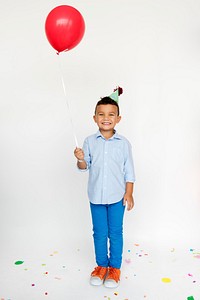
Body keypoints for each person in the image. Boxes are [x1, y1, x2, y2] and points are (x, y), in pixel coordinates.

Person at [74, 90, 136, 288]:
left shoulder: (124, 144)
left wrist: (129, 193)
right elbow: (85, 167)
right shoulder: (89, 142)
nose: (106, 118)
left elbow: (129, 171)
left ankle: (114, 268)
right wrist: (81, 159)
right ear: (94, 118)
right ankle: (101, 266)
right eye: (101, 114)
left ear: (118, 118)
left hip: (117, 198)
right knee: (99, 233)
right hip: (96, 198)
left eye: (111, 114)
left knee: (115, 232)